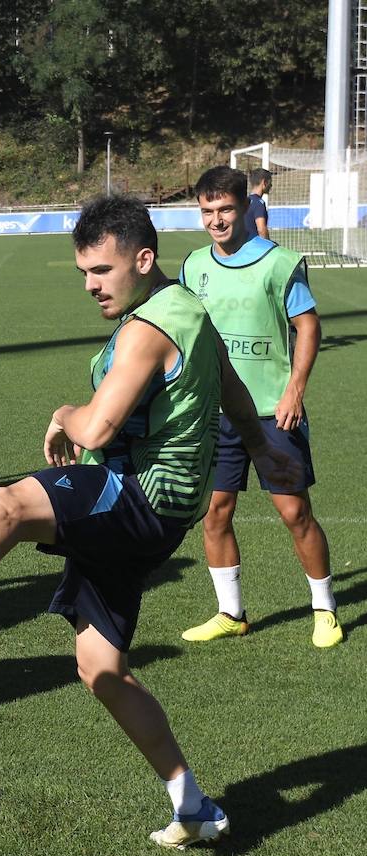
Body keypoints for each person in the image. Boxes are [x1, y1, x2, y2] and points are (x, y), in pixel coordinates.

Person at [0, 195, 297, 848]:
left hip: (139, 497)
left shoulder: (148, 328)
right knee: (100, 669)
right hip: (154, 514)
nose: (92, 285)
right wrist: (262, 446)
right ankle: (194, 804)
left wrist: (62, 413)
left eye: (102, 270)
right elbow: (233, 385)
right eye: (84, 274)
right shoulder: (187, 310)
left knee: (8, 506)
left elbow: (95, 424)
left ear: (143, 258)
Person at [179, 166, 339, 647]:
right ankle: (231, 612)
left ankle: (325, 609)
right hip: (217, 414)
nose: (216, 220)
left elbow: (307, 327)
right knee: (215, 513)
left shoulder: (281, 262)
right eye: (207, 212)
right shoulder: (193, 266)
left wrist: (295, 389)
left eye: (225, 209)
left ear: (245, 206)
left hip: (273, 411)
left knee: (295, 513)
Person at [244, 168, 272, 240]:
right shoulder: (259, 203)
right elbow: (261, 229)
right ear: (264, 183)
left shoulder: (245, 201)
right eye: (270, 182)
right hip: (255, 247)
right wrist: (268, 246)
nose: (271, 185)